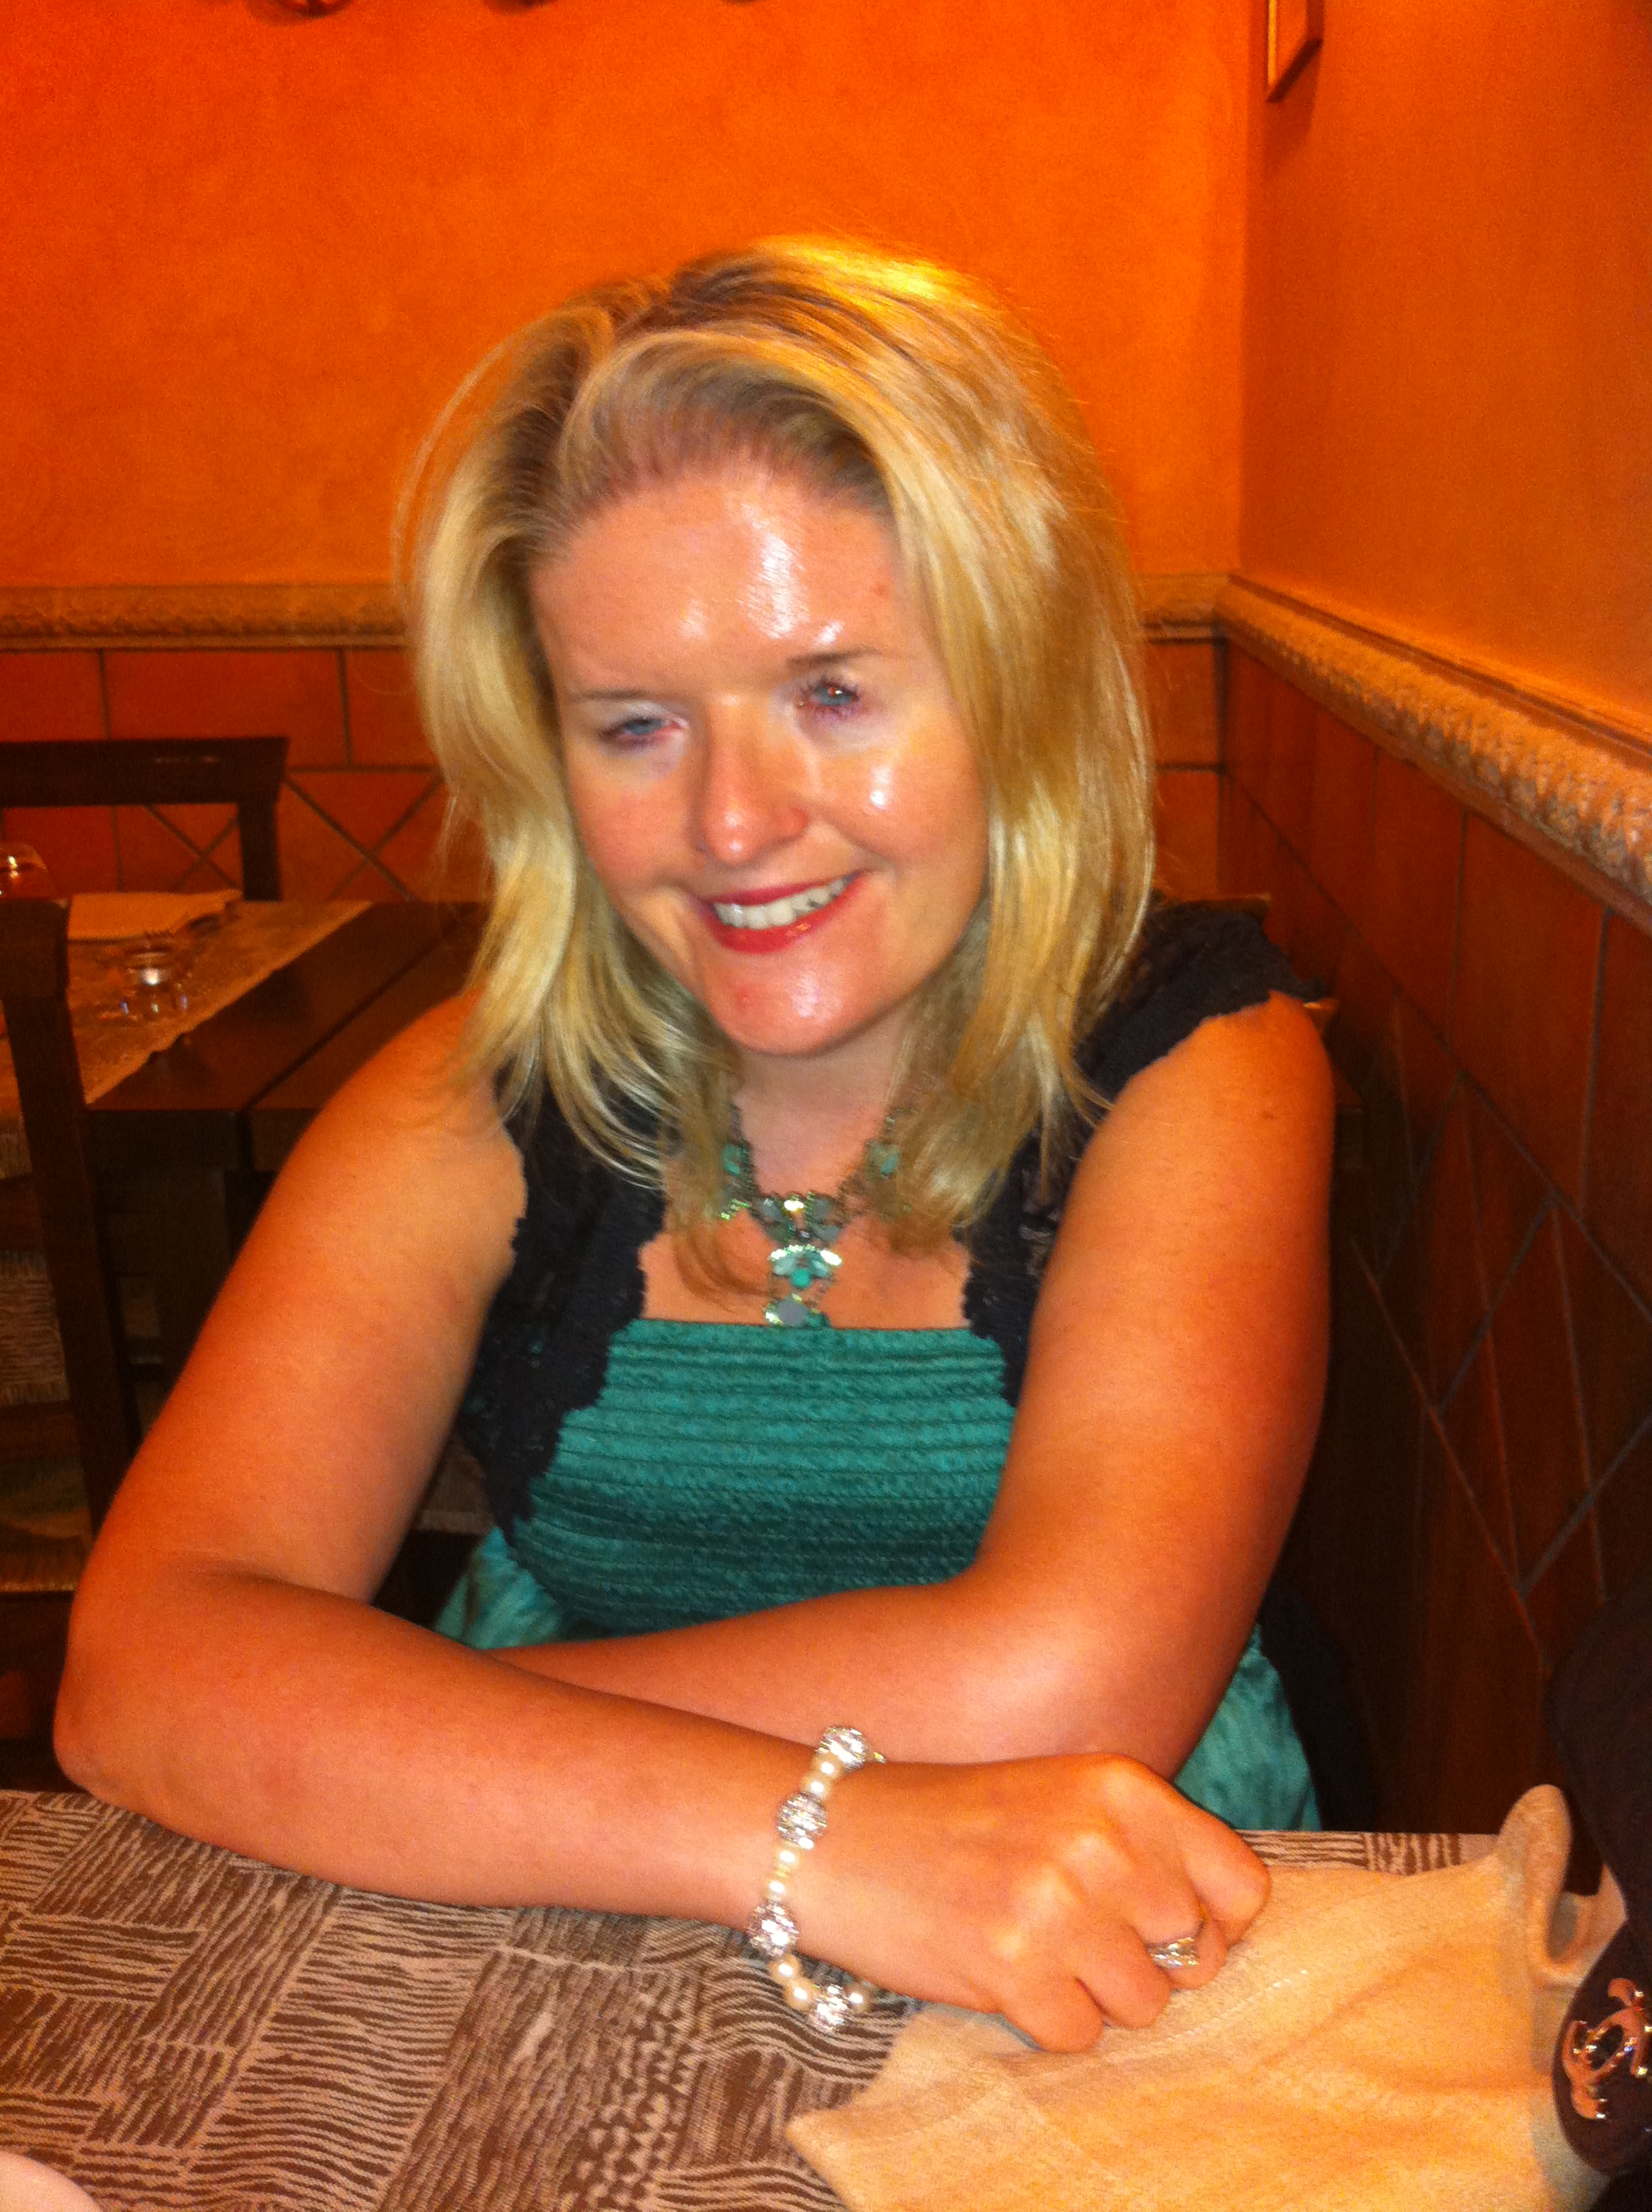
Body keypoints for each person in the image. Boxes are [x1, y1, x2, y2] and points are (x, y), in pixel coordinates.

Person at [55, 240, 1334, 2055]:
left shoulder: (1204, 1056)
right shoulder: (466, 1097)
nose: (732, 823)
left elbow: (1069, 1685)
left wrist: (408, 1734)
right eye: (637, 726)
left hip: (1108, 1978)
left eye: (832, 694)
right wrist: (806, 1837)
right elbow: (135, 1676)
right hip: (557, 1944)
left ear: (1014, 687)